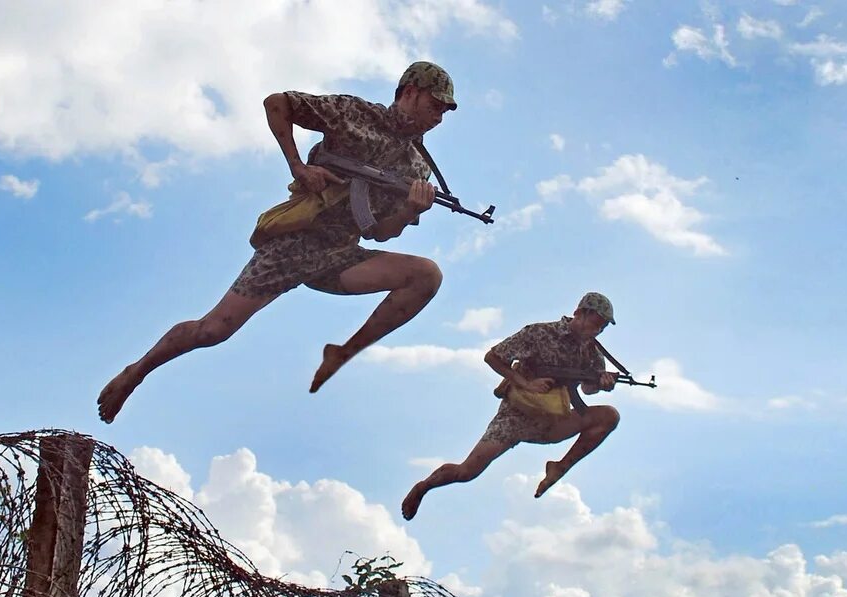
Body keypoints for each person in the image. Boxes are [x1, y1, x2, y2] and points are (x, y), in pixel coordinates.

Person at [97, 61, 460, 422]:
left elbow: (379, 232)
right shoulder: (355, 114)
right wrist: (298, 165)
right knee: (212, 330)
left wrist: (410, 208)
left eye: (445, 111)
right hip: (292, 244)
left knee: (427, 275)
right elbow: (277, 103)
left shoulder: (417, 168)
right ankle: (137, 371)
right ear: (409, 93)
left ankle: (345, 352)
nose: (438, 117)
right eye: (435, 105)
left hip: (340, 256)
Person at [402, 292, 622, 520]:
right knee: (467, 471)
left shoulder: (592, 353)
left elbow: (587, 389)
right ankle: (423, 487)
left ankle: (559, 468)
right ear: (580, 313)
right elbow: (493, 357)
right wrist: (526, 383)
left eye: (603, 327)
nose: (597, 330)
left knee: (609, 416)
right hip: (515, 417)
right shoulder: (540, 333)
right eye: (596, 323)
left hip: (553, 420)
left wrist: (602, 384)